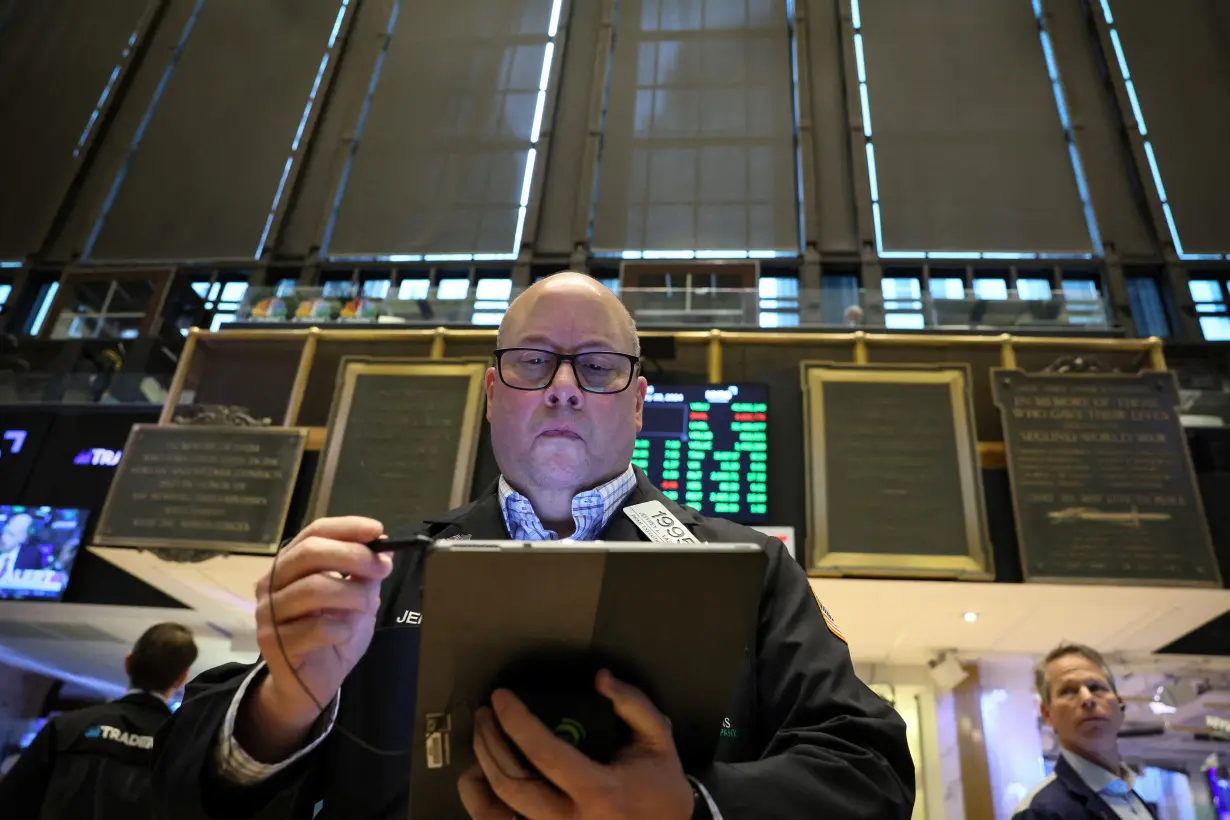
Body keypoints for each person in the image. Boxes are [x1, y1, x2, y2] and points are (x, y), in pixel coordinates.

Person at [150, 272, 915, 819]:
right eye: (532, 360)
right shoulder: (382, 572)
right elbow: (181, 778)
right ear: (492, 395)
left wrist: (694, 808)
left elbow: (869, 768)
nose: (563, 386)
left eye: (598, 365)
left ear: (639, 402)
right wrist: (283, 704)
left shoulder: (749, 571)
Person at [0, 622, 199, 819]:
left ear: (128, 663)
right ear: (182, 679)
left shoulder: (67, 728)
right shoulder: (187, 748)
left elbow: (12, 804)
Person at [1012, 642, 1155, 820]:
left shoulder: (1131, 799)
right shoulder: (1040, 812)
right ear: (1047, 714)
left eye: (1096, 687)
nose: (1087, 698)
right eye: (1068, 691)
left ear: (1119, 704)